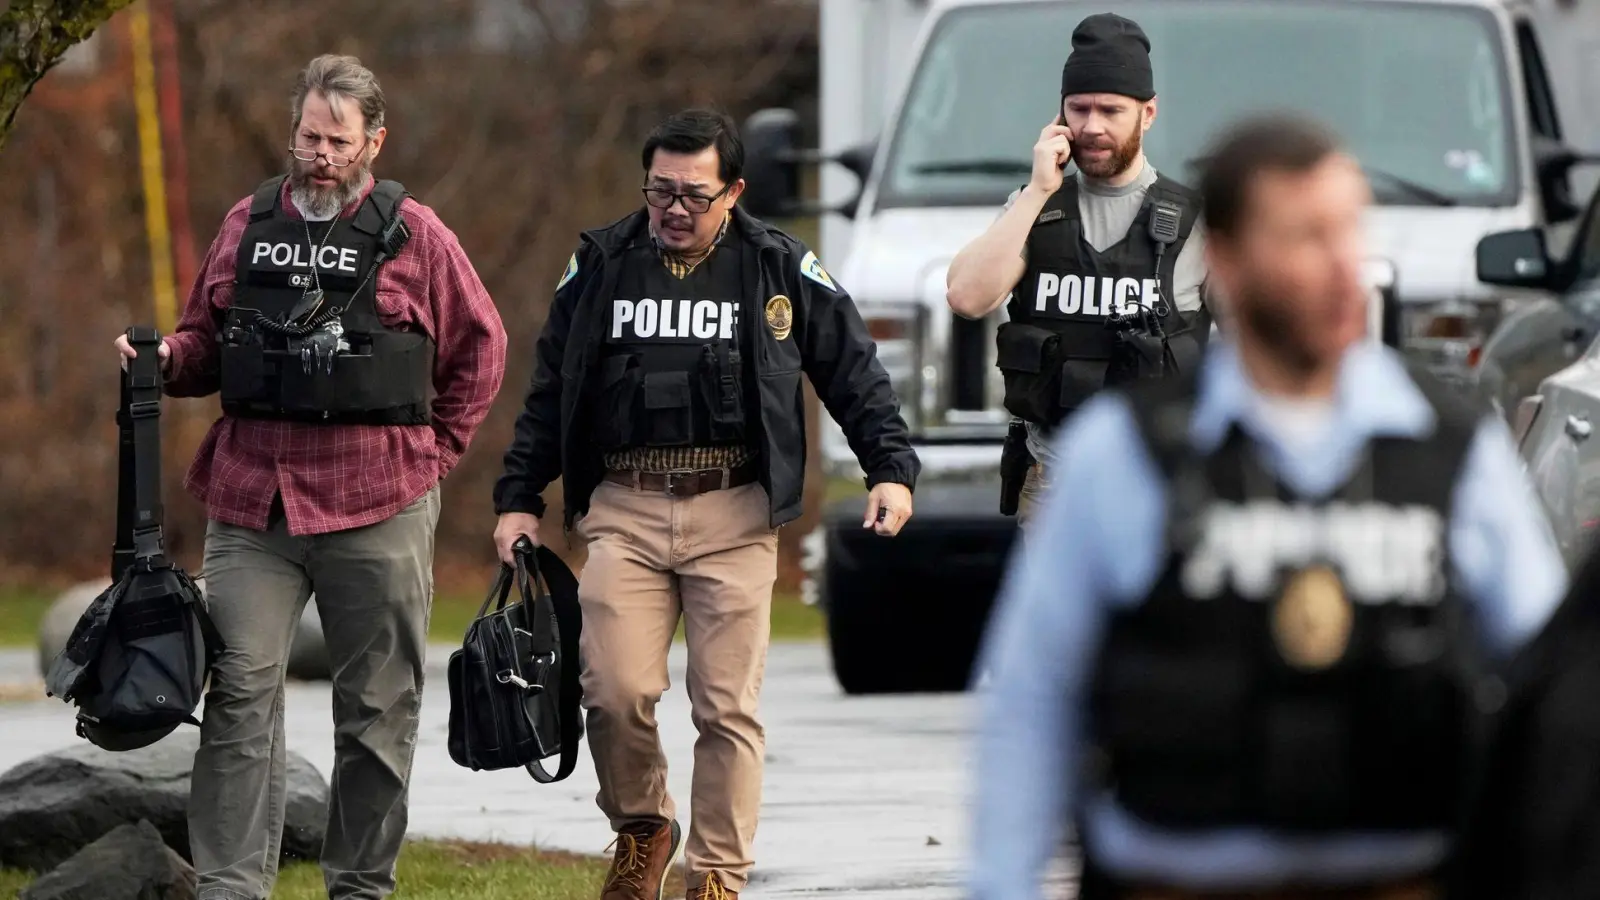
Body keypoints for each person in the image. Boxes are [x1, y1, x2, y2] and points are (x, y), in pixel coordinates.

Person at [966, 112, 1568, 900]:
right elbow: (1034, 702)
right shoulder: (1125, 456)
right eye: (1304, 237)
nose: (1343, 264)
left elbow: (1553, 694)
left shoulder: (1452, 449)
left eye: (1348, 230)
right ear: (1228, 260)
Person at [491, 108, 920, 900]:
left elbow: (852, 370)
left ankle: (717, 875)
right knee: (613, 691)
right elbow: (553, 389)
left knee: (725, 708)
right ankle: (643, 826)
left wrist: (889, 467)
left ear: (735, 192)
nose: (675, 209)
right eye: (660, 191)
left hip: (735, 511)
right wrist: (519, 496)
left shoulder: (779, 265)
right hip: (625, 505)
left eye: (695, 194)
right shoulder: (601, 264)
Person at [112, 54, 508, 900]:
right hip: (254, 501)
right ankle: (229, 886)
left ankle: (359, 884)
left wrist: (435, 452)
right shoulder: (246, 223)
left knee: (376, 711)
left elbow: (483, 348)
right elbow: (204, 344)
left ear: (374, 140)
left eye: (337, 139)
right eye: (308, 136)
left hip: (380, 500)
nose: (319, 153)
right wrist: (159, 359)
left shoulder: (418, 235)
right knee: (239, 695)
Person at [944, 12, 1211, 524]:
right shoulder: (1034, 208)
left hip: (1160, 483)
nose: (1092, 126)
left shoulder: (1197, 223)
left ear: (1147, 113)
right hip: (1051, 481)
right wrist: (1038, 190)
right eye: (1079, 108)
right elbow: (967, 297)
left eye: (1111, 110)